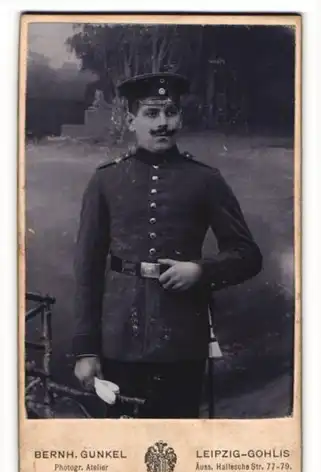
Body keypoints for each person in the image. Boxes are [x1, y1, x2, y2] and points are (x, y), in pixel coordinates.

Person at [72, 72, 263, 418]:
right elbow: (87, 269)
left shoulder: (206, 180)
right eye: (151, 113)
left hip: (182, 341)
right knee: (122, 445)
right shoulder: (105, 180)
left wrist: (202, 271)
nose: (163, 123)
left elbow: (248, 256)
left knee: (178, 441)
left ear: (181, 117)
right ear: (131, 120)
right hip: (119, 339)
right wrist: (86, 350)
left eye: (170, 112)